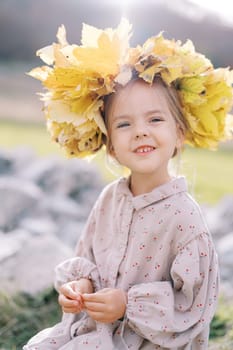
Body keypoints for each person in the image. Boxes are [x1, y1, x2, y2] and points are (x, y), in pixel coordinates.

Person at [24, 19, 233, 350]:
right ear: (110, 145)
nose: (140, 131)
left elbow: (194, 303)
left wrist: (128, 305)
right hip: (101, 332)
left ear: (179, 133)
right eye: (124, 124)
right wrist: (81, 287)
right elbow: (88, 257)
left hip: (151, 342)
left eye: (155, 119)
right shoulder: (110, 198)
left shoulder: (184, 219)